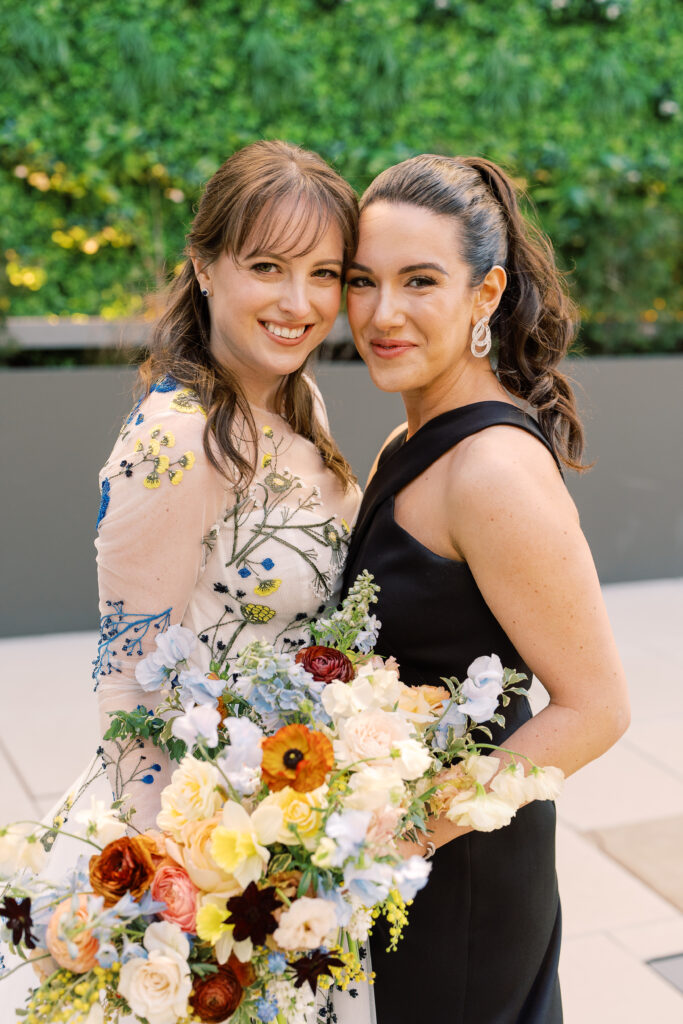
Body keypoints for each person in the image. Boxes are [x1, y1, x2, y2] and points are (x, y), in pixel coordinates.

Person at [2, 139, 362, 1016]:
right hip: (197, 848)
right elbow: (128, 674)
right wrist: (177, 906)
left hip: (281, 822)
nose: (299, 302)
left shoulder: (296, 400)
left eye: (325, 273)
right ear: (204, 265)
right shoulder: (179, 437)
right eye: (267, 266)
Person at [341, 155, 631, 1023]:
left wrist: (408, 832)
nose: (381, 314)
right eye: (362, 281)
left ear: (486, 292)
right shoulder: (407, 443)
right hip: (411, 867)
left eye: (419, 281)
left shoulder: (492, 472)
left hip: (458, 877)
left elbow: (595, 709)